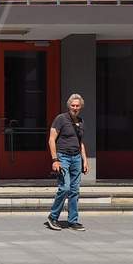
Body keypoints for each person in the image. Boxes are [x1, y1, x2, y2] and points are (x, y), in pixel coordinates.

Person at [45, 93, 88, 231]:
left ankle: (73, 221)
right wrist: (55, 160)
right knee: (65, 187)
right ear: (68, 106)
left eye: (77, 106)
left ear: (81, 107)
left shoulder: (80, 121)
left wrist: (85, 161)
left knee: (75, 190)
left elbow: (80, 143)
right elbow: (51, 139)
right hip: (63, 157)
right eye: (73, 105)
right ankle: (53, 216)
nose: (75, 108)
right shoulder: (60, 119)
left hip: (76, 158)